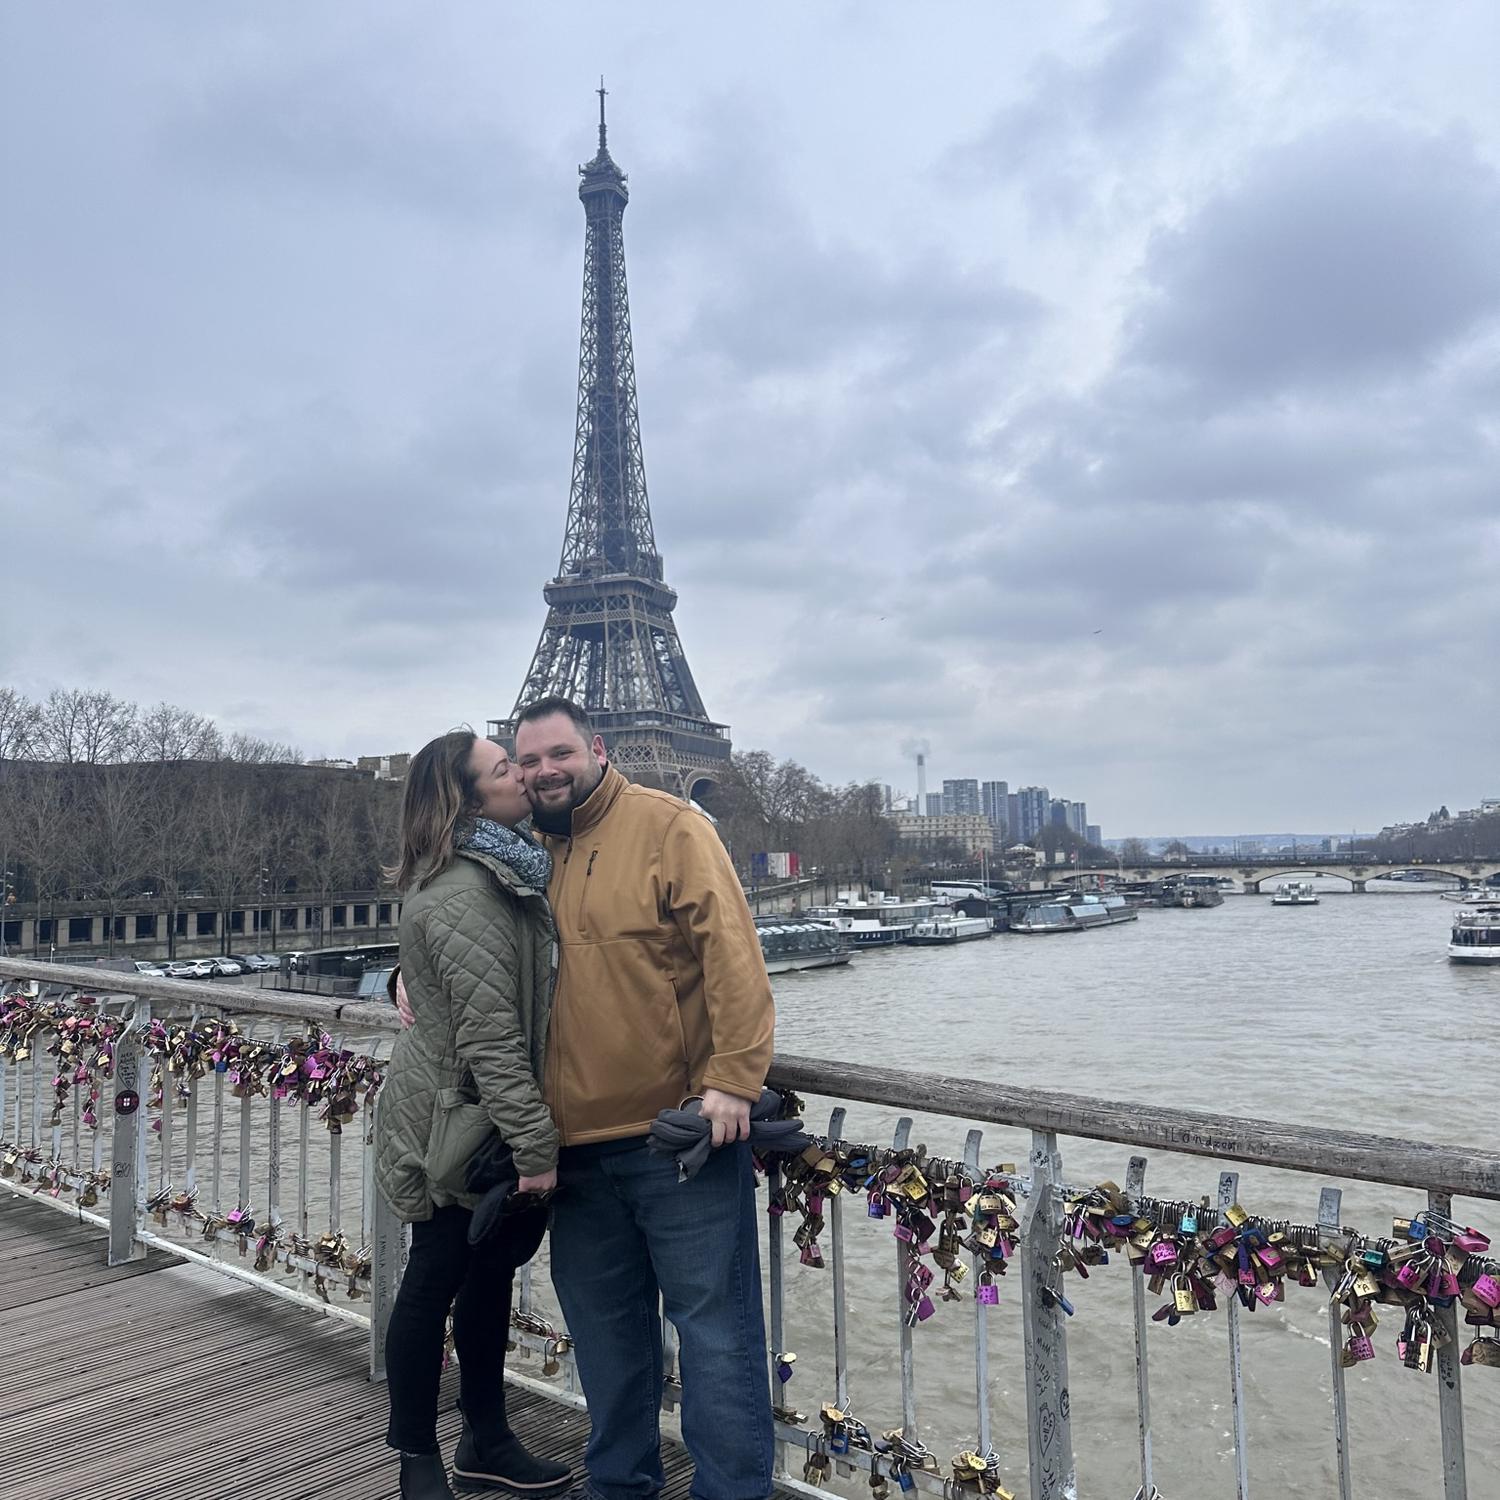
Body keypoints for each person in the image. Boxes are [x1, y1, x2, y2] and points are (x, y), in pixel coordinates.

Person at [513, 697, 776, 1500]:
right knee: (605, 1340)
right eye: (527, 762)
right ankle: (619, 1485)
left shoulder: (671, 826)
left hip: (676, 1139)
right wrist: (404, 973)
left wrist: (733, 1080)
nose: (543, 771)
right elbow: (469, 949)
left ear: (596, 748)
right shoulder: (523, 855)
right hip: (572, 1150)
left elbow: (731, 952)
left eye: (558, 753)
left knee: (714, 1339)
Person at [374, 729, 572, 1500]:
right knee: (437, 1278)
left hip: (467, 1113)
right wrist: (535, 1147)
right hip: (460, 1124)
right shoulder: (470, 889)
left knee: (484, 1277)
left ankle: (483, 1440)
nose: (523, 776)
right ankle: (418, 1461)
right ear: (468, 798)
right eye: (504, 769)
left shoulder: (497, 869)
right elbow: (491, 1034)